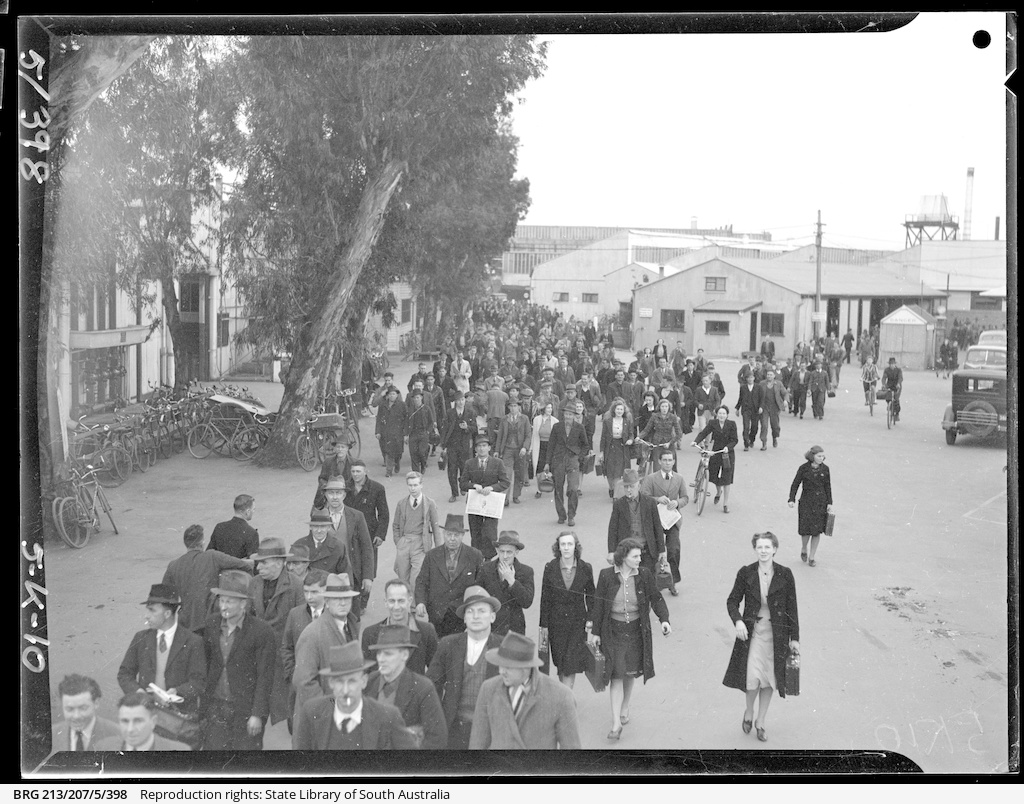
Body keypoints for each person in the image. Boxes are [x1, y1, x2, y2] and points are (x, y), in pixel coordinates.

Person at [589, 538, 672, 740]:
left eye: (640, 556)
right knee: (616, 674)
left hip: (636, 631)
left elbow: (656, 597)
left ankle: (625, 705)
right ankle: (616, 723)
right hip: (614, 632)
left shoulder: (643, 575)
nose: (639, 559)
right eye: (635, 556)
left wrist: (664, 620)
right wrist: (595, 631)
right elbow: (598, 605)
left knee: (629, 672)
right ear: (623, 557)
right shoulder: (606, 575)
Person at [723, 532, 800, 743]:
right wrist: (738, 621)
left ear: (775, 549)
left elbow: (792, 607)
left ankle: (761, 721)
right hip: (753, 634)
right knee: (752, 678)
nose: (764, 551)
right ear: (755, 549)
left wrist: (795, 638)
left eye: (767, 547)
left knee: (769, 679)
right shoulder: (746, 573)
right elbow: (732, 601)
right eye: (760, 547)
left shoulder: (785, 574)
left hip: (777, 635)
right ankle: (749, 711)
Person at [200, 570, 277, 750]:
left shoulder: (261, 631)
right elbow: (206, 664)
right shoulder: (211, 624)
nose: (223, 606)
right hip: (216, 708)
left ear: (243, 604)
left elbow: (265, 676)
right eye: (221, 600)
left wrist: (257, 714)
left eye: (229, 601)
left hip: (246, 711)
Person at [469, 631, 582, 749]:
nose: (501, 671)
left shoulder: (561, 696)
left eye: (507, 666)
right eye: (500, 665)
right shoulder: (488, 689)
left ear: (526, 667)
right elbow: (477, 744)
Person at [426, 586, 504, 749]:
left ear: (492, 616)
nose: (476, 616)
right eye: (470, 612)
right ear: (464, 618)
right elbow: (431, 686)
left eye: (482, 611)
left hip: (492, 731)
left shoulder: (504, 647)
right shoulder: (448, 644)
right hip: (455, 729)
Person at [292, 643, 408, 750]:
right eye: (339, 682)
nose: (345, 690)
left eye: (352, 681)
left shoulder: (388, 717)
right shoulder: (312, 713)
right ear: (331, 683)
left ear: (364, 681)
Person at [116, 584, 206, 714]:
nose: (146, 616)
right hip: (146, 712)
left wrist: (177, 692)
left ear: (167, 613)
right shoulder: (141, 638)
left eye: (152, 610)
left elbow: (198, 682)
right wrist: (139, 693)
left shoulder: (192, 641)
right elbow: (124, 674)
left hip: (178, 716)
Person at [249, 538, 306, 728]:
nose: (258, 568)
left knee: (291, 714)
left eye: (264, 563)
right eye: (258, 563)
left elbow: (302, 625)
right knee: (257, 713)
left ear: (280, 562)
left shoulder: (296, 585)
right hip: (258, 659)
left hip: (284, 661)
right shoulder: (254, 583)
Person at [291, 572, 361, 723]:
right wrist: (331, 709)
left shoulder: (352, 625)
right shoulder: (313, 633)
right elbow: (303, 681)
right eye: (337, 599)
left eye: (346, 598)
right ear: (327, 601)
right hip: (320, 719)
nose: (343, 603)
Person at [364, 625, 448, 749]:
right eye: (379, 653)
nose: (381, 659)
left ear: (404, 655)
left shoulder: (422, 687)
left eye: (388, 654)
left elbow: (437, 738)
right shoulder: (369, 682)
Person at [163, 524, 253, 634]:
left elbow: (165, 599)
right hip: (211, 621)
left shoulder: (173, 565)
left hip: (185, 624)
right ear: (202, 543)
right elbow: (243, 565)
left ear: (185, 543)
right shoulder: (212, 556)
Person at [415, 514, 486, 639]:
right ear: (444, 534)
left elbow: (481, 584)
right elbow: (421, 581)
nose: (452, 539)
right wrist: (420, 602)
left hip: (462, 616)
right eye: (449, 534)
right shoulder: (431, 555)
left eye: (456, 535)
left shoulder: (475, 555)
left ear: (463, 535)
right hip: (436, 614)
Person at [309, 478, 374, 613]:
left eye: (338, 493)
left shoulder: (356, 516)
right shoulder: (318, 516)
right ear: (326, 495)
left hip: (350, 573)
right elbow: (312, 544)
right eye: (331, 493)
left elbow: (366, 547)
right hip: (325, 573)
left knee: (351, 614)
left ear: (344, 495)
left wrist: (368, 576)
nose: (334, 497)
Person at [539, 532, 596, 686]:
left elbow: (591, 596)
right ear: (558, 547)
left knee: (571, 664)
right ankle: (564, 692)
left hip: (577, 622)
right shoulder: (550, 567)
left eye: (569, 544)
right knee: (560, 663)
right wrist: (543, 625)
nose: (566, 548)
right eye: (563, 544)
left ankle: (567, 698)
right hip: (556, 623)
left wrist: (591, 618)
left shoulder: (585, 568)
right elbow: (545, 598)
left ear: (575, 546)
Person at [280, 569, 328, 734]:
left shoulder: (337, 615)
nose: (309, 597)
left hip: (325, 687)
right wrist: (292, 674)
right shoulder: (295, 614)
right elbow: (287, 647)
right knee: (299, 731)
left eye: (314, 592)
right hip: (299, 686)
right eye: (306, 592)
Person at [361, 579, 439, 676]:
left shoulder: (426, 631)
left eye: (401, 601)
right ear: (385, 602)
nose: (396, 607)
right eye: (392, 601)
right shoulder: (370, 634)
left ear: (410, 601)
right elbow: (366, 674)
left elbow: (436, 673)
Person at [639, 451, 689, 593]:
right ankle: (655, 582)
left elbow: (685, 498)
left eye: (670, 460)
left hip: (672, 520)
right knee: (655, 552)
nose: (667, 463)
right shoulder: (651, 478)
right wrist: (657, 499)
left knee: (673, 549)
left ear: (674, 462)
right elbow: (643, 496)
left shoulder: (679, 479)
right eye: (665, 460)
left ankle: (672, 581)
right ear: (659, 461)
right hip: (656, 521)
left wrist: (677, 502)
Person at [475, 531, 535, 637]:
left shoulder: (526, 571)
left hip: (514, 629)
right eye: (502, 551)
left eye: (509, 552)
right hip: (491, 628)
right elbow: (477, 598)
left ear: (516, 552)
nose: (505, 556)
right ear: (497, 550)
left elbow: (527, 602)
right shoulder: (485, 569)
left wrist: (512, 581)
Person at [459, 434, 510, 560]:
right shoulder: (470, 463)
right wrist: (473, 485)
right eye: (479, 446)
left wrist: (492, 488)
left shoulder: (497, 463)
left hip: (491, 503)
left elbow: (505, 482)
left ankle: (488, 559)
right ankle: (476, 558)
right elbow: (462, 483)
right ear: (475, 449)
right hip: (475, 503)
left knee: (489, 533)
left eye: (484, 446)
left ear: (489, 448)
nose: (482, 449)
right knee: (475, 533)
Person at [607, 469, 666, 574]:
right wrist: (611, 551)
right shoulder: (619, 505)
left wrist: (662, 550)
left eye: (632, 486)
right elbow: (613, 529)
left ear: (639, 486)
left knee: (648, 581)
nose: (629, 490)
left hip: (647, 551)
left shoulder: (650, 502)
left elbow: (657, 526)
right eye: (626, 487)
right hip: (627, 552)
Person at [391, 471, 440, 598]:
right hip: (404, 542)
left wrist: (439, 549)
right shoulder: (402, 503)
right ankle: (405, 607)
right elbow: (395, 525)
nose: (413, 488)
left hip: (420, 544)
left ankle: (413, 607)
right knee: (403, 577)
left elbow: (435, 528)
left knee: (416, 577)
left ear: (421, 485)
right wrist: (398, 541)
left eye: (415, 485)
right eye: (410, 485)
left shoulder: (430, 503)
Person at [345, 459, 390, 592]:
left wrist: (380, 535)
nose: (355, 474)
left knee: (368, 567)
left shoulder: (377, 489)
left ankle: (364, 600)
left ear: (365, 472)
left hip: (369, 534)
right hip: (349, 533)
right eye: (353, 471)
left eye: (358, 471)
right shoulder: (345, 488)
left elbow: (383, 514)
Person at [543, 402, 591, 527]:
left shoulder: (579, 427)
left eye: (570, 414)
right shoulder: (557, 427)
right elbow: (551, 445)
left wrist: (579, 457)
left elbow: (586, 445)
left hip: (573, 460)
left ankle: (571, 516)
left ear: (574, 415)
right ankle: (561, 515)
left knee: (573, 489)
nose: (568, 417)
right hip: (558, 460)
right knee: (558, 488)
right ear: (563, 415)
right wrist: (547, 463)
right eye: (566, 414)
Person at [92, 692, 191, 751]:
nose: (130, 729)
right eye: (125, 721)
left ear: (153, 721)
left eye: (138, 721)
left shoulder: (180, 751)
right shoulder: (102, 748)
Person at [788, 446, 834, 567]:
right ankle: (804, 548)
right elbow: (795, 484)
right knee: (805, 531)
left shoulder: (825, 469)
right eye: (819, 456)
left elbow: (828, 486)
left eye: (823, 456)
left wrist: (829, 502)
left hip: (820, 503)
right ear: (812, 456)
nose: (821, 458)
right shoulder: (803, 468)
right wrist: (791, 499)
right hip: (806, 502)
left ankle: (812, 557)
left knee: (817, 531)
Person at [52, 674, 120, 753]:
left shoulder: (118, 734)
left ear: (96, 703)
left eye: (83, 708)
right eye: (69, 709)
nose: (76, 716)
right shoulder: (51, 735)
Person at [692, 406, 739, 514]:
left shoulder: (732, 424)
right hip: (716, 452)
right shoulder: (713, 423)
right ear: (717, 414)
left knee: (727, 479)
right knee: (713, 475)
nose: (721, 415)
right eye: (720, 413)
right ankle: (718, 492)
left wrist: (728, 447)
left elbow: (735, 440)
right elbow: (704, 433)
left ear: (727, 415)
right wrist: (696, 441)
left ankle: (725, 504)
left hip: (728, 454)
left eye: (724, 414)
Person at [440, 391, 478, 503]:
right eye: (458, 400)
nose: (461, 402)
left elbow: (475, 428)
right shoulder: (450, 413)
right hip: (452, 445)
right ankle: (454, 493)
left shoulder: (470, 412)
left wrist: (467, 427)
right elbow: (445, 429)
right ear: (455, 402)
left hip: (465, 445)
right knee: (451, 470)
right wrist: (443, 445)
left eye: (462, 400)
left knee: (464, 468)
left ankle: (462, 486)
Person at [494, 398, 532, 505]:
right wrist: (497, 450)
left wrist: (525, 447)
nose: (513, 408)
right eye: (511, 406)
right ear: (508, 407)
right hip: (507, 449)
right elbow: (500, 436)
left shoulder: (524, 418)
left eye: (515, 406)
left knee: (519, 474)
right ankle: (505, 498)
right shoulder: (504, 419)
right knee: (507, 474)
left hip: (520, 450)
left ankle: (516, 495)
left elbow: (528, 435)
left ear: (519, 407)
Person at [600, 399, 635, 498]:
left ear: (624, 411)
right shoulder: (607, 421)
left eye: (621, 409)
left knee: (619, 471)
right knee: (610, 471)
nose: (619, 411)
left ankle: (616, 495)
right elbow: (603, 437)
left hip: (622, 447)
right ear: (614, 410)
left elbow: (631, 434)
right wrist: (601, 452)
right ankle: (611, 488)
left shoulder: (627, 421)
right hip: (610, 447)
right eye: (618, 409)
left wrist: (630, 440)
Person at [207, 494, 259, 560]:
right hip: (238, 569)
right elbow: (253, 562)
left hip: (220, 569)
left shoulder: (219, 527)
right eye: (253, 509)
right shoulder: (251, 533)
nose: (253, 512)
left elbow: (209, 554)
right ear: (248, 511)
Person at [638, 397, 683, 472]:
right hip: (657, 443)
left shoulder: (673, 417)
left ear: (669, 408)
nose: (664, 408)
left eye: (666, 406)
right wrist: (639, 437)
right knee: (657, 466)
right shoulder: (654, 416)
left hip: (669, 443)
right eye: (662, 406)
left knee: (670, 465)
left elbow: (679, 433)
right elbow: (646, 430)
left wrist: (670, 443)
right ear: (659, 407)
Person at [376, 386, 407, 478]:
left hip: (398, 432)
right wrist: (378, 431)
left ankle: (397, 462)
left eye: (394, 394)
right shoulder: (383, 405)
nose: (392, 396)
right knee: (388, 451)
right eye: (390, 394)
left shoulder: (402, 405)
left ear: (397, 395)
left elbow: (406, 420)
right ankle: (389, 471)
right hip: (386, 432)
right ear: (387, 395)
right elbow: (378, 419)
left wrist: (405, 433)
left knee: (398, 451)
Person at [530, 401, 558, 499]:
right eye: (548, 408)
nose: (550, 410)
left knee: (551, 467)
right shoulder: (537, 420)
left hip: (551, 446)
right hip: (540, 445)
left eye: (551, 408)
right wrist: (531, 448)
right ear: (543, 409)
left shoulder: (555, 421)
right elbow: (534, 435)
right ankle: (539, 489)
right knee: (539, 467)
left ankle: (552, 487)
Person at [405, 390, 437, 474]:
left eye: (418, 397)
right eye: (414, 398)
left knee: (422, 452)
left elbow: (431, 422)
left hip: (423, 433)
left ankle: (423, 464)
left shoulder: (426, 408)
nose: (416, 399)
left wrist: (427, 432)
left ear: (421, 398)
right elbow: (406, 423)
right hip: (413, 433)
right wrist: (406, 434)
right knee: (413, 453)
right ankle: (416, 472)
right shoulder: (409, 410)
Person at [758, 368, 788, 450]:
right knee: (764, 425)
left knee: (775, 426)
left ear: (774, 376)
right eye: (768, 375)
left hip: (775, 407)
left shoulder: (778, 384)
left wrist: (785, 400)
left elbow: (785, 393)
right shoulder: (762, 384)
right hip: (764, 407)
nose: (769, 376)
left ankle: (774, 437)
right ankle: (764, 443)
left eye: (771, 375)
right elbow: (757, 394)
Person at [735, 370, 763, 452]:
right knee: (746, 427)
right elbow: (740, 398)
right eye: (748, 378)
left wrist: (761, 407)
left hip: (755, 410)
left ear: (754, 378)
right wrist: (737, 408)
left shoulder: (758, 387)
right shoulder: (743, 387)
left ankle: (752, 439)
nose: (750, 379)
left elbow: (761, 398)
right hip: (746, 410)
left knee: (755, 427)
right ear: (746, 379)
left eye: (751, 377)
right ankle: (746, 443)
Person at [882, 357, 903, 421]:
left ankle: (897, 414)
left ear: (895, 364)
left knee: (896, 399)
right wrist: (883, 384)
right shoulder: (886, 370)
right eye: (890, 364)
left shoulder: (899, 370)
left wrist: (899, 383)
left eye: (893, 364)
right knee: (888, 397)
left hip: (897, 386)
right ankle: (889, 406)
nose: (892, 365)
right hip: (889, 385)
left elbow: (900, 378)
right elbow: (884, 378)